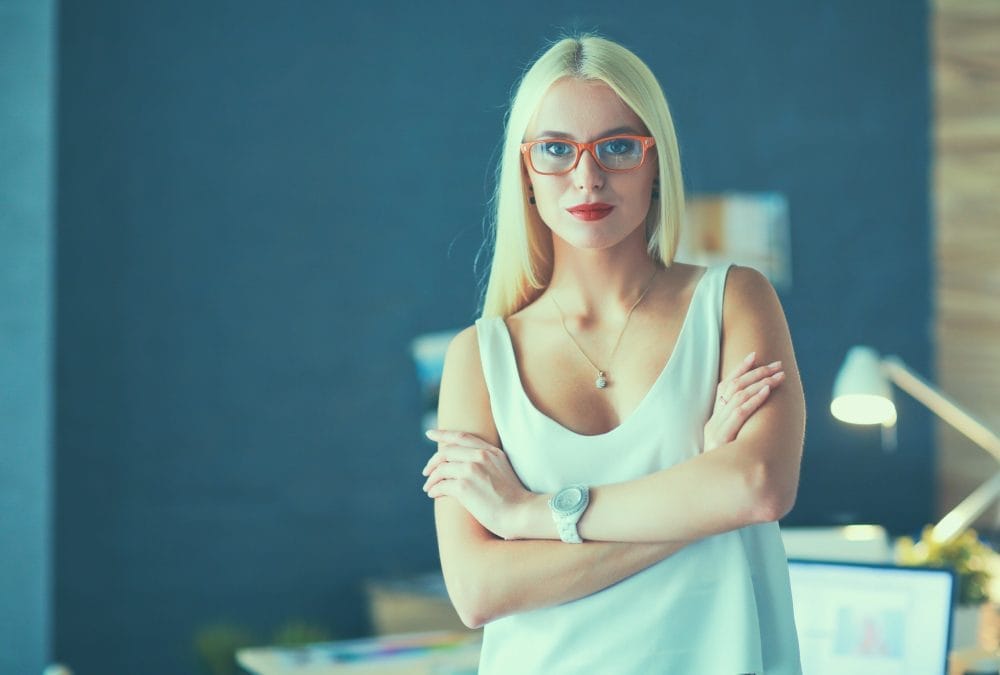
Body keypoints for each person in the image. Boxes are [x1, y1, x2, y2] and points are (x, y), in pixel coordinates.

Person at [420, 34, 805, 674]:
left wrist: (527, 515)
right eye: (555, 150)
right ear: (526, 171)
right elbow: (480, 590)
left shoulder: (735, 299)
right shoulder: (479, 357)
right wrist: (699, 489)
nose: (588, 176)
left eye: (619, 146)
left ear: (657, 163)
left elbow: (757, 486)